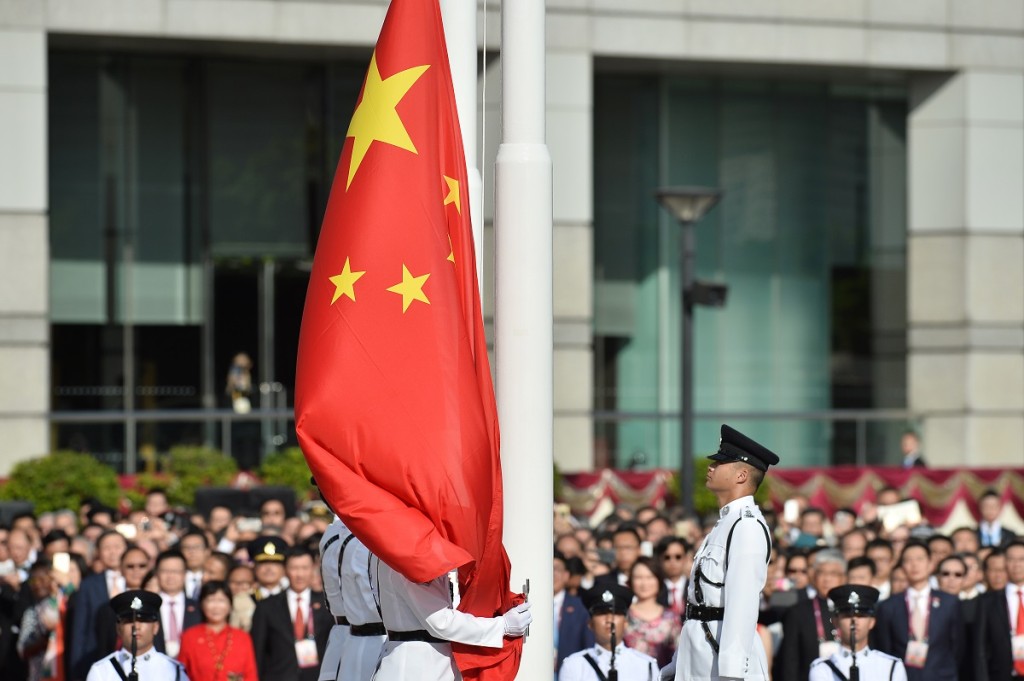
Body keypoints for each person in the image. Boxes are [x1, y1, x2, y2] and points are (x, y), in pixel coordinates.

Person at [665, 424, 779, 681]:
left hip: (722, 661)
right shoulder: (724, 523)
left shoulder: (746, 525)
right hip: (699, 654)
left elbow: (742, 605)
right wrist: (675, 666)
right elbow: (698, 606)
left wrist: (732, 674)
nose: (710, 467)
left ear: (741, 476)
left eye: (720, 463)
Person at [371, 555, 532, 680]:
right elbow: (441, 621)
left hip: (424, 661)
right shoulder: (409, 558)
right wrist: (501, 626)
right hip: (416, 667)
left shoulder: (407, 553)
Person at [874, 539, 963, 680]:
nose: (914, 565)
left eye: (920, 559)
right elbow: (885, 649)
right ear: (902, 566)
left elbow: (958, 647)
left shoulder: (949, 602)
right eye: (908, 560)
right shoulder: (888, 606)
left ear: (930, 564)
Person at [250, 546, 333, 681]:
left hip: (318, 676)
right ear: (285, 570)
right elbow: (258, 650)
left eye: (305, 568)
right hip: (279, 676)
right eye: (294, 568)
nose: (299, 574)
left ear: (313, 569)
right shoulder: (267, 606)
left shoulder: (327, 604)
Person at [808, 584, 907, 681]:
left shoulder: (891, 666)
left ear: (872, 622)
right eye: (847, 615)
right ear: (835, 621)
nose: (854, 620)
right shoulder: (822, 668)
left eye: (861, 615)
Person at [560, 585, 659, 680]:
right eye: (601, 613)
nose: (609, 620)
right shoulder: (574, 665)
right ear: (590, 624)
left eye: (616, 613)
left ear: (625, 622)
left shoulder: (646, 665)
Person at [85, 590, 188, 681]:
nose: (136, 626)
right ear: (118, 628)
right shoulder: (102, 671)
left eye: (143, 620)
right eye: (128, 621)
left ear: (155, 627)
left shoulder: (174, 671)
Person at [776, 549, 846, 681]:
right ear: (814, 576)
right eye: (822, 573)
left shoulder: (850, 611)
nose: (827, 579)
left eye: (833, 573)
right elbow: (790, 661)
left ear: (843, 577)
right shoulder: (798, 612)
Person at [69, 529, 128, 680]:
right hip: (95, 654)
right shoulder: (89, 584)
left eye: (117, 547)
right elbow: (80, 628)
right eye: (107, 548)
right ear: (98, 552)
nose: (113, 552)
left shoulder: (135, 580)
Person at [177, 580, 258, 681]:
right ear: (202, 605)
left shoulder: (242, 637)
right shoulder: (190, 636)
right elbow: (181, 674)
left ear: (230, 605)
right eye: (211, 600)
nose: (216, 606)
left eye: (221, 600)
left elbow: (250, 675)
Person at [973, 539, 1024, 681]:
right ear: (1004, 563)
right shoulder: (987, 601)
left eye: (1022, 559)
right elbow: (980, 650)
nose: (1017, 565)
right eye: (1011, 559)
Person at [624, 556, 680, 667]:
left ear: (658, 580)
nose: (644, 583)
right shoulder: (623, 616)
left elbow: (680, 655)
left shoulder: (671, 618)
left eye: (650, 577)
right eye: (638, 578)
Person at [153, 549, 201, 658]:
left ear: (184, 574)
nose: (170, 576)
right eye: (165, 571)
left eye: (176, 571)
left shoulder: (198, 608)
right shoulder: (149, 608)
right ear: (156, 573)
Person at [556, 552, 594, 675]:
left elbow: (589, 647)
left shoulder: (581, 608)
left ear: (566, 575)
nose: (552, 574)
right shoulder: (529, 604)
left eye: (556, 569)